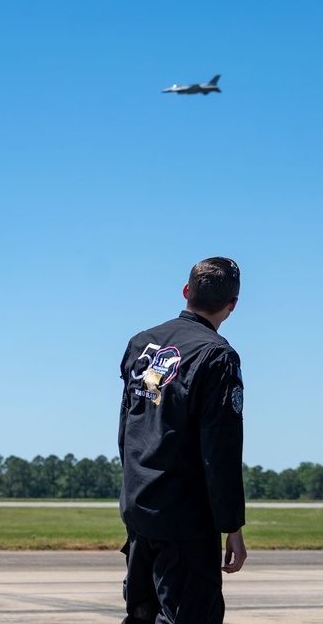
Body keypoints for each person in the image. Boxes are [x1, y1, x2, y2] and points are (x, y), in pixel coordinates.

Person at [117, 257, 247, 624]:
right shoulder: (217, 356)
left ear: (186, 291)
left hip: (140, 511)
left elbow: (127, 429)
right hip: (185, 523)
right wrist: (232, 527)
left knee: (141, 615)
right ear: (232, 304)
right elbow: (219, 451)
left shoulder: (140, 344)